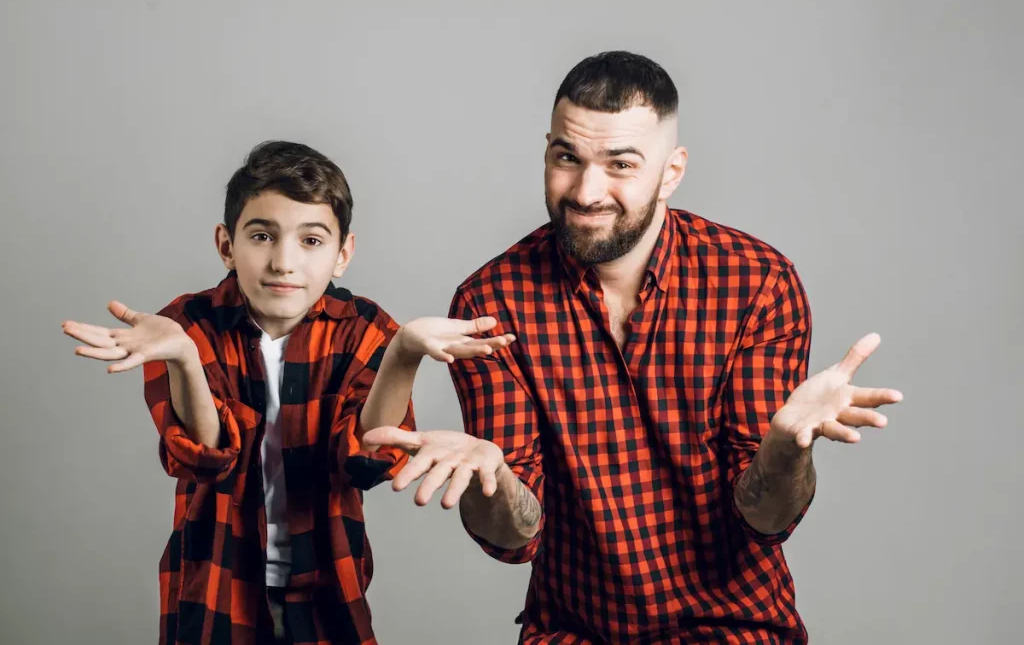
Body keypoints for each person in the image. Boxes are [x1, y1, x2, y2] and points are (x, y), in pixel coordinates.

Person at [365, 51, 903, 644]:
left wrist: (784, 448)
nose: (587, 191)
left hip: (734, 627)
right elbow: (514, 539)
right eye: (567, 157)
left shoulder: (757, 282)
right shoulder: (494, 300)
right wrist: (493, 477)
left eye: (620, 164)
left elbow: (765, 520)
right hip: (576, 630)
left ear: (671, 172)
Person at [61, 141, 512, 645]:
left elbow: (364, 460)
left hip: (326, 583)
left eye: (311, 241)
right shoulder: (185, 326)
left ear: (343, 254)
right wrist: (184, 358)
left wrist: (403, 352)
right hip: (216, 580)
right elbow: (206, 458)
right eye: (262, 236)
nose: (283, 261)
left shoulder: (363, 330)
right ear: (226, 244)